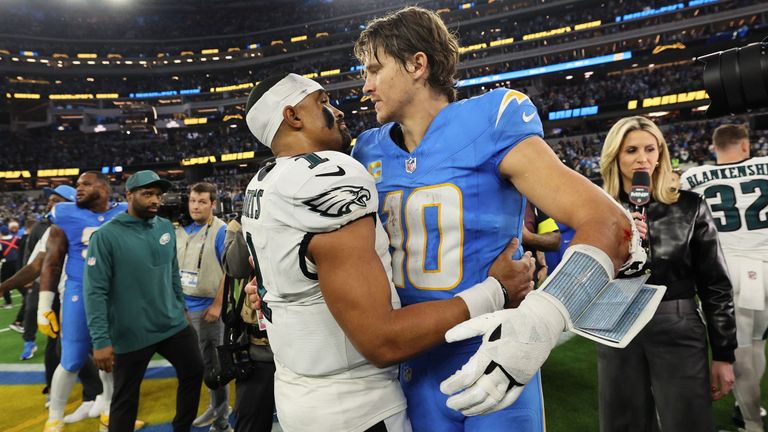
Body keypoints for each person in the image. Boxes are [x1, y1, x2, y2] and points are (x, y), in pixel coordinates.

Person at [351, 7, 640, 431]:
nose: (366, 86)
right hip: (406, 369)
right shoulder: (366, 151)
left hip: (497, 356)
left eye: (375, 70)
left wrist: (543, 320)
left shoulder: (491, 119)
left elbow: (610, 223)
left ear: (417, 64)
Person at [241, 73, 535, 432]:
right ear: (293, 117)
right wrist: (496, 290)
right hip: (356, 408)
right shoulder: (330, 178)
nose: (338, 110)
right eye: (322, 103)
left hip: (296, 397)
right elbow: (383, 341)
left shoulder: (262, 182)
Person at [597, 116, 736, 431]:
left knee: (688, 423)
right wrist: (614, 244)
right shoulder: (597, 209)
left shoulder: (689, 206)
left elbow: (715, 284)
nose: (642, 158)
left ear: (661, 153)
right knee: (622, 424)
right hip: (614, 322)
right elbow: (581, 279)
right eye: (631, 150)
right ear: (615, 157)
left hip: (676, 319)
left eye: (650, 148)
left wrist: (724, 354)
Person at [84, 170, 204, 432]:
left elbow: (172, 271)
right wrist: (101, 340)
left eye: (158, 195)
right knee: (125, 400)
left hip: (172, 324)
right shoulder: (104, 237)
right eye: (147, 194)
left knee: (195, 371)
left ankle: (182, 428)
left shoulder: (164, 227)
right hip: (131, 333)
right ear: (128, 195)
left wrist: (181, 308)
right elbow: (94, 292)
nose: (155, 201)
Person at [681, 123, 768, 432]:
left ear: (715, 148)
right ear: (745, 146)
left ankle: (752, 424)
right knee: (756, 346)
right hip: (764, 266)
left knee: (741, 353)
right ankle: (748, 409)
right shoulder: (765, 164)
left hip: (728, 272)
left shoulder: (693, 176)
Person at [39, 172, 128, 432]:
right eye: (77, 185)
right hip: (80, 292)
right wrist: (44, 305)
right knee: (73, 358)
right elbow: (52, 261)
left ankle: (109, 408)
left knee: (111, 355)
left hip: (116, 294)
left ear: (104, 188)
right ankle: (55, 415)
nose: (79, 188)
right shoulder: (65, 214)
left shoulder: (124, 212)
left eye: (86, 184)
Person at [175, 182, 232, 431]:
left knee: (214, 367)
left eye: (201, 202)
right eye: (192, 201)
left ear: (213, 204)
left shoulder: (221, 230)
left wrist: (218, 305)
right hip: (184, 308)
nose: (195, 206)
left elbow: (229, 271)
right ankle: (216, 406)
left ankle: (221, 422)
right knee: (197, 364)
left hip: (209, 310)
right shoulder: (180, 228)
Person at [221, 218, 276, 432]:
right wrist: (251, 219)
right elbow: (235, 267)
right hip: (259, 349)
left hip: (303, 348)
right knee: (251, 423)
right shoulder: (241, 223)